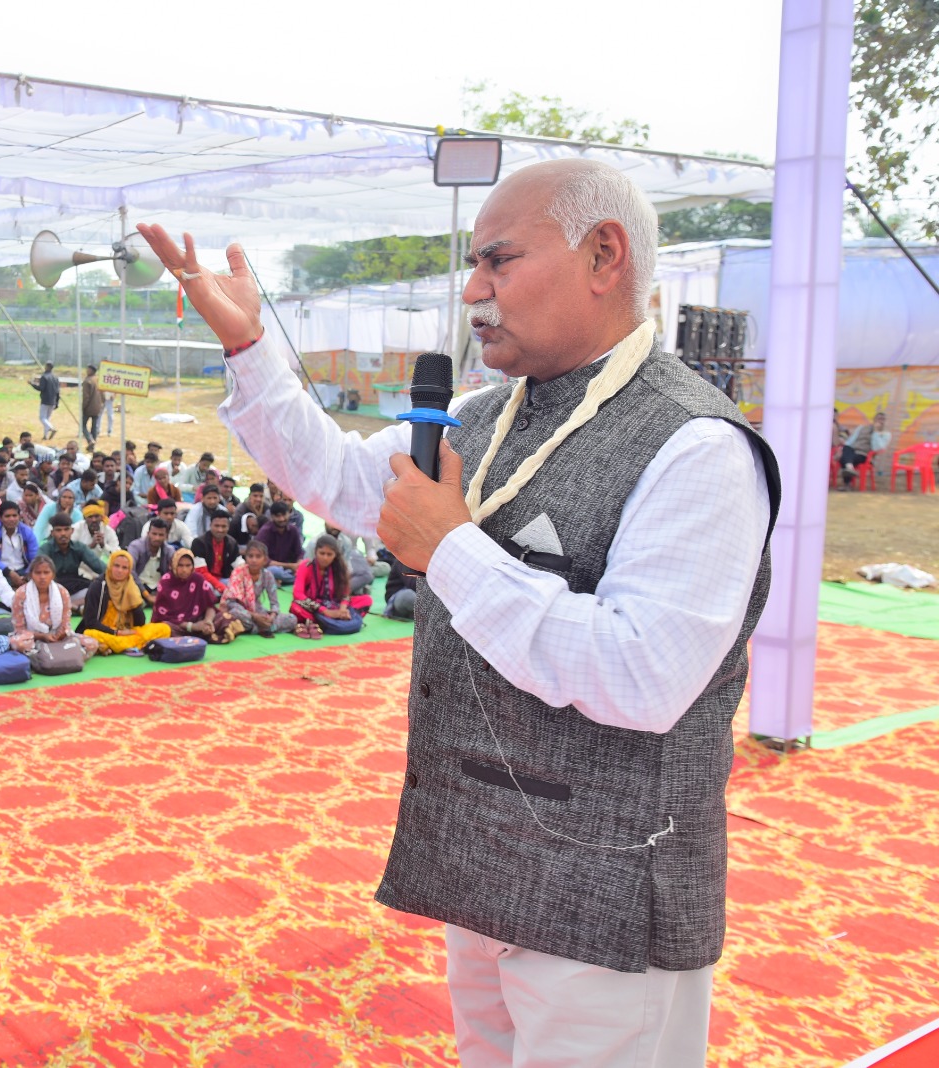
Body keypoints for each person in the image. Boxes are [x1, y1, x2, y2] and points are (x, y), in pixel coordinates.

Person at [137, 156, 777, 1065]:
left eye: (500, 260)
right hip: (480, 864)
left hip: (604, 897)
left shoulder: (697, 446)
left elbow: (642, 675)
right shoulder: (482, 418)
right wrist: (249, 347)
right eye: (474, 264)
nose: (474, 289)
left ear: (604, 256)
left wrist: (451, 549)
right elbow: (334, 476)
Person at [76, 550, 171, 655]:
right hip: (105, 632)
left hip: (127, 631)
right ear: (110, 566)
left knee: (164, 628)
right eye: (116, 566)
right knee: (90, 634)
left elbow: (140, 623)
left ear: (129, 570)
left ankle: (113, 646)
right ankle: (128, 645)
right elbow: (91, 622)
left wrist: (134, 602)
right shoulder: (98, 586)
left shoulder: (131, 586)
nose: (120, 571)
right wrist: (117, 632)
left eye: (124, 568)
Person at [10, 555, 99, 660]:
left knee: (92, 643)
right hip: (32, 637)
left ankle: (46, 657)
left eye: (46, 572)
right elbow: (19, 629)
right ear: (31, 575)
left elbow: (66, 624)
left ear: (53, 575)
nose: (42, 577)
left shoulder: (62, 592)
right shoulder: (21, 594)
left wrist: (59, 634)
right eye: (38, 573)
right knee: (17, 643)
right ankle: (61, 656)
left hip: (56, 637)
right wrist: (42, 636)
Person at [152, 548, 239, 643]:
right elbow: (163, 616)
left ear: (193, 566)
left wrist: (207, 621)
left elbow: (210, 605)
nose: (184, 570)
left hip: (198, 619)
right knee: (164, 628)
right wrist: (192, 626)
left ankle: (204, 631)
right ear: (173, 565)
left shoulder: (198, 579)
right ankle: (199, 634)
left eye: (188, 565)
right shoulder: (166, 582)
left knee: (226, 617)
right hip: (177, 625)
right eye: (180, 565)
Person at [291, 533, 367, 638]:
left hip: (334, 605)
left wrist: (342, 609)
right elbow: (298, 594)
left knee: (366, 600)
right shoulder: (306, 566)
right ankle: (328, 621)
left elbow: (345, 594)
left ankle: (317, 622)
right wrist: (325, 611)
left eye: (329, 554)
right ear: (315, 552)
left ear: (335, 555)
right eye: (322, 553)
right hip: (313, 607)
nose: (325, 558)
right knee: (296, 606)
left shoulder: (341, 568)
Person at [222, 541, 297, 637]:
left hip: (258, 610)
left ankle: (255, 628)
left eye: (258, 556)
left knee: (292, 619)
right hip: (240, 610)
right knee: (236, 615)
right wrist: (254, 616)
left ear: (265, 560)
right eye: (250, 556)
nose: (254, 560)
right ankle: (263, 628)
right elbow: (231, 602)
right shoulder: (238, 573)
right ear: (246, 558)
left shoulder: (267, 575)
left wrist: (272, 616)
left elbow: (274, 603)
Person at [40, 512, 105, 608]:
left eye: (66, 529)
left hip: (74, 590)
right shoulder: (45, 549)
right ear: (52, 533)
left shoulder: (79, 547)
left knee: (99, 590)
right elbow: (38, 574)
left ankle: (71, 606)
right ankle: (73, 607)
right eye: (58, 530)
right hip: (52, 592)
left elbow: (101, 568)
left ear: (72, 531)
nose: (63, 533)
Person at [0, 500, 38, 589]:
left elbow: (35, 556)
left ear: (19, 516)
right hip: (0, 571)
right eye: (7, 516)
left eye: (14, 515)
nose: (11, 519)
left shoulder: (26, 531)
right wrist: (9, 572)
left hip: (23, 571)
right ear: (0, 518)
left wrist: (28, 574)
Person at [253, 501, 303, 585]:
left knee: (307, 564)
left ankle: (279, 580)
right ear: (272, 516)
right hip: (270, 568)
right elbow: (264, 560)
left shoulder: (293, 530)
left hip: (288, 569)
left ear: (289, 514)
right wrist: (291, 566)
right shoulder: (265, 532)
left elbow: (299, 552)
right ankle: (295, 579)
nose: (282, 519)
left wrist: (299, 564)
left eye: (284, 515)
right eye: (278, 516)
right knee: (273, 571)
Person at [838, 410, 890, 488]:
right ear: (874, 419)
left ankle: (847, 481)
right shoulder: (862, 428)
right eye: (879, 419)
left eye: (883, 419)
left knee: (844, 458)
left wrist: (876, 432)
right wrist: (840, 450)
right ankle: (849, 468)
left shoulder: (885, 434)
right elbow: (851, 441)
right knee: (846, 448)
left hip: (865, 455)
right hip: (852, 450)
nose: (881, 421)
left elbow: (876, 448)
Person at [190, 510, 239, 591]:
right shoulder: (199, 543)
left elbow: (240, 567)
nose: (220, 530)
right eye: (216, 526)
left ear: (228, 527)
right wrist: (223, 589)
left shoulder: (232, 543)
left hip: (224, 579)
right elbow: (201, 572)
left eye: (224, 526)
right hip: (204, 580)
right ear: (210, 525)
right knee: (207, 587)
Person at [31, 361, 61, 440]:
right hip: (53, 400)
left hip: (45, 400)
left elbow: (41, 388)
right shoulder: (55, 377)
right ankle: (45, 436)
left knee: (42, 418)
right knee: (47, 419)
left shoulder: (44, 377)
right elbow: (58, 391)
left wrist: (32, 384)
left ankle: (51, 428)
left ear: (47, 367)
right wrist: (57, 402)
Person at [80, 365, 103, 445]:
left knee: (82, 425)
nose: (87, 371)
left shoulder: (87, 381)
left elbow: (86, 396)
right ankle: (93, 442)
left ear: (91, 370)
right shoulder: (98, 380)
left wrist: (83, 407)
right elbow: (102, 394)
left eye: (88, 369)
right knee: (94, 426)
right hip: (98, 406)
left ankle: (90, 440)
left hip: (89, 407)